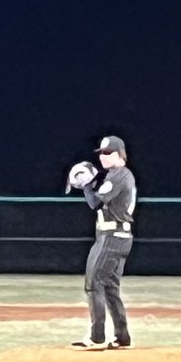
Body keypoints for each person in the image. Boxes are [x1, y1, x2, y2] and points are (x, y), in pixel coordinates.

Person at [66, 135, 137, 350]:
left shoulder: (118, 175)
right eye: (101, 153)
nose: (103, 157)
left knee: (93, 283)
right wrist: (94, 182)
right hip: (117, 236)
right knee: (109, 288)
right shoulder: (117, 175)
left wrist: (87, 184)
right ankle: (122, 337)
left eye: (108, 153)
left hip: (112, 236)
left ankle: (97, 337)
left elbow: (96, 203)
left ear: (120, 154)